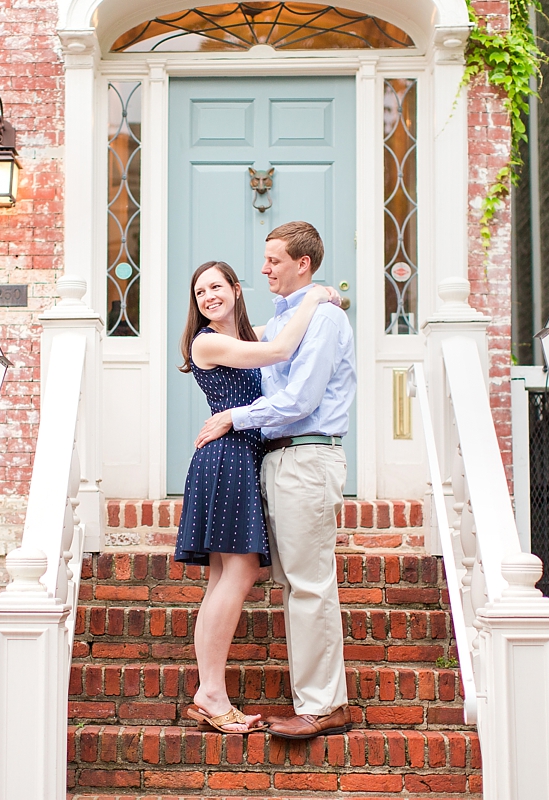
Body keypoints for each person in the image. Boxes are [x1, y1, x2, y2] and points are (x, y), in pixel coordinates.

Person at [195, 221, 357, 740]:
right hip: (267, 459)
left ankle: (324, 704)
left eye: (273, 261)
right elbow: (272, 347)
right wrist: (317, 298)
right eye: (201, 291)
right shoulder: (278, 322)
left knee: (308, 583)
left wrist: (234, 417)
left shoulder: (321, 320)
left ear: (302, 264)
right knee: (266, 578)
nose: (263, 268)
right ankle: (213, 691)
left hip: (303, 459)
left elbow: (300, 400)